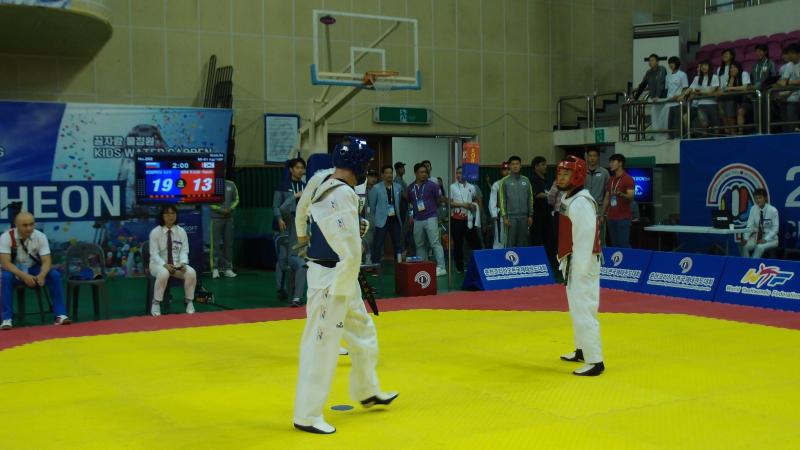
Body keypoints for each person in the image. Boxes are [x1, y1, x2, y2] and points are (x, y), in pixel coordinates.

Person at [293, 138, 398, 435]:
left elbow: (303, 209)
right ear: (357, 166)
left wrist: (303, 236)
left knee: (363, 330)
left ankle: (367, 390)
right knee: (321, 344)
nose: (367, 169)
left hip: (341, 276)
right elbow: (351, 251)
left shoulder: (320, 178)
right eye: (365, 164)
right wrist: (340, 293)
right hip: (332, 279)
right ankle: (307, 415)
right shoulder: (340, 194)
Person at [556, 156, 605, 377]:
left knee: (584, 309)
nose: (561, 177)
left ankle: (595, 361)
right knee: (576, 309)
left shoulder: (582, 202)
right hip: (572, 260)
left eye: (566, 174)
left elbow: (586, 237)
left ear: (576, 176)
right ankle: (581, 349)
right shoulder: (570, 197)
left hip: (582, 262)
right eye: (559, 173)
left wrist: (581, 269)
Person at [0, 212, 72, 329]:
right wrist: (24, 276)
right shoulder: (6, 237)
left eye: (31, 224)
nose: (29, 228)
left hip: (32, 268)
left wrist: (42, 275)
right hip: (14, 271)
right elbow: (5, 263)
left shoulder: (40, 236)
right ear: (16, 225)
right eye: (25, 225)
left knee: (54, 275)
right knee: (5, 277)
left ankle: (60, 315)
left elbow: (46, 260)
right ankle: (6, 319)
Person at [148, 204, 197, 316]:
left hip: (176, 264)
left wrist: (183, 263)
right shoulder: (155, 232)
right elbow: (154, 254)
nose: (171, 216)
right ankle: (156, 302)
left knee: (191, 273)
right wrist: (164, 265)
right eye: (167, 213)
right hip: (157, 264)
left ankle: (189, 301)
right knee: (164, 273)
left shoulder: (181, 232)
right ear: (162, 216)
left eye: (173, 213)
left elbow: (184, 251)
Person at [273, 158, 307, 300]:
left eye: (302, 168)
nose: (300, 170)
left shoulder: (305, 186)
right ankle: (280, 288)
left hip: (298, 227)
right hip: (283, 225)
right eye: (297, 168)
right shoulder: (282, 185)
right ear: (291, 169)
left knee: (296, 258)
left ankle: (295, 291)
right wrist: (279, 218)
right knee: (282, 258)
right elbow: (276, 205)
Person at [407, 163, 447, 276]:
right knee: (419, 244)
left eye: (426, 172)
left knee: (435, 242)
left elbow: (439, 200)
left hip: (430, 217)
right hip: (417, 219)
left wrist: (432, 209)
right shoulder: (410, 188)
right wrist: (412, 215)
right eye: (421, 172)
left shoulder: (433, 185)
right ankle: (423, 266)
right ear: (415, 173)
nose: (424, 174)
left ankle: (441, 267)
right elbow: (410, 202)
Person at [368, 165, 404, 264]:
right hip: (381, 220)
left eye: (391, 173)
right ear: (382, 175)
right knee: (378, 244)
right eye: (387, 173)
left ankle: (399, 265)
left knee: (398, 244)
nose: (389, 175)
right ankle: (375, 265)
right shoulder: (376, 188)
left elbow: (398, 202)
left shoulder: (398, 187)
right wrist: (375, 219)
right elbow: (372, 205)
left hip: (395, 220)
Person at [449, 166, 483, 273]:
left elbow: (477, 200)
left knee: (475, 244)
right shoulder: (452, 187)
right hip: (456, 219)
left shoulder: (472, 187)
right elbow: (449, 203)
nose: (459, 175)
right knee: (458, 244)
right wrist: (463, 205)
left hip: (469, 219)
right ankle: (459, 268)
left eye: (461, 173)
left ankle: (479, 265)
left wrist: (475, 206)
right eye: (457, 173)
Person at [498, 155, 533, 247]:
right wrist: (505, 217)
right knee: (510, 243)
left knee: (523, 243)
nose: (515, 166)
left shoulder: (526, 180)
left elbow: (530, 198)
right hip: (511, 218)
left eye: (517, 164)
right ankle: (509, 261)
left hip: (524, 217)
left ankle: (522, 261)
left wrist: (530, 215)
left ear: (520, 166)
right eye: (512, 164)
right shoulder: (504, 181)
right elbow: (502, 200)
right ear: (509, 166)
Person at [602, 154, 634, 248]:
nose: (610, 164)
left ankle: (629, 262)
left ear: (620, 163)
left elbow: (631, 196)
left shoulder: (628, 179)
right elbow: (607, 198)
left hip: (623, 218)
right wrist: (602, 214)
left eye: (613, 162)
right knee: (614, 244)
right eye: (610, 162)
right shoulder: (611, 180)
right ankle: (616, 262)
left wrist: (621, 194)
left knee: (623, 243)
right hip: (611, 217)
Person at [210, 178, 240, 279]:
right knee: (215, 244)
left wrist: (230, 208)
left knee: (229, 244)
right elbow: (208, 200)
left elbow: (236, 199)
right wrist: (221, 209)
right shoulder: (211, 183)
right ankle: (215, 268)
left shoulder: (231, 184)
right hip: (216, 218)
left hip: (229, 218)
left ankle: (228, 269)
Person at [742, 188, 779, 258]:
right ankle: (746, 265)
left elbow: (775, 229)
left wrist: (766, 239)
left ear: (765, 198)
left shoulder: (773, 210)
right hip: (756, 238)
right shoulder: (753, 209)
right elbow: (749, 225)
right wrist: (746, 238)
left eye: (760, 198)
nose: (757, 200)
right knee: (745, 246)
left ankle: (753, 266)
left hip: (771, 239)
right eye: (756, 198)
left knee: (759, 247)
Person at [530, 156, 555, 261]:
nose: (546, 166)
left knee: (549, 237)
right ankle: (536, 260)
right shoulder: (533, 179)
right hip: (537, 214)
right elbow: (538, 194)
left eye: (545, 164)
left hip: (548, 212)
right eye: (543, 164)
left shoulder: (547, 178)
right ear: (536, 166)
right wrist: (550, 195)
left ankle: (549, 260)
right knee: (537, 237)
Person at [687, 60, 721, 136]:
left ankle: (717, 139)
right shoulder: (697, 78)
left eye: (706, 65)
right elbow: (692, 90)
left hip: (712, 103)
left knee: (716, 125)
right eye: (702, 66)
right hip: (701, 104)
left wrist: (700, 92)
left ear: (710, 67)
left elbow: (711, 91)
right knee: (704, 124)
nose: (703, 67)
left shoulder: (715, 77)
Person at [584, 148, 609, 244]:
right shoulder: (582, 172)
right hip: (584, 210)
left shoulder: (604, 173)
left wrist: (603, 213)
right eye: (590, 156)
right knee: (586, 237)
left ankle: (602, 258)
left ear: (598, 157)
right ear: (587, 157)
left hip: (598, 210)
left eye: (594, 156)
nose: (592, 158)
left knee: (600, 238)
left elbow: (608, 193)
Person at [720, 61, 752, 135]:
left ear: (738, 68)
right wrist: (732, 78)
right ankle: (731, 131)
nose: (732, 69)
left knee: (740, 111)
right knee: (725, 107)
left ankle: (740, 132)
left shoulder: (744, 74)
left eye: (734, 67)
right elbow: (728, 90)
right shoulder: (731, 77)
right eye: (731, 68)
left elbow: (744, 87)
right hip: (735, 101)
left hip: (746, 100)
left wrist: (731, 88)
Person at [660, 56, 689, 138]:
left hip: (678, 103)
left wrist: (680, 96)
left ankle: (681, 137)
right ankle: (671, 138)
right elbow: (667, 90)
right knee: (669, 123)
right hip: (669, 103)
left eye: (672, 63)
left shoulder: (682, 75)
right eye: (669, 63)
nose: (671, 65)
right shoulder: (667, 77)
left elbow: (685, 88)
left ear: (677, 64)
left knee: (678, 123)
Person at [776, 43, 800, 132]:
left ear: (798, 54)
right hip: (793, 97)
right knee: (789, 119)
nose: (789, 55)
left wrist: (789, 82)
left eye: (792, 53)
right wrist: (787, 82)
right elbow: (783, 81)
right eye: (788, 53)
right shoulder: (789, 65)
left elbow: (787, 82)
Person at [488, 161, 510, 249]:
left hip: (514, 214)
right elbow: (492, 201)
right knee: (500, 238)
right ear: (501, 172)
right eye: (505, 170)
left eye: (508, 169)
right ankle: (498, 259)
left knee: (511, 238)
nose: (507, 171)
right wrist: (494, 214)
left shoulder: (516, 183)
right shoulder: (496, 184)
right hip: (500, 215)